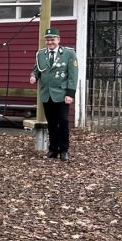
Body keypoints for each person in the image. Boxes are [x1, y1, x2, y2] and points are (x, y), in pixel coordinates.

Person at [30, 27, 78, 161]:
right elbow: (37, 69)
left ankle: (64, 150)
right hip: (46, 93)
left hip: (62, 94)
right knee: (51, 123)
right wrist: (34, 76)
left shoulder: (68, 54)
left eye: (52, 39)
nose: (50, 42)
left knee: (63, 122)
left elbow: (73, 75)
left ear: (58, 40)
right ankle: (53, 149)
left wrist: (70, 94)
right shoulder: (41, 54)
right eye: (48, 40)